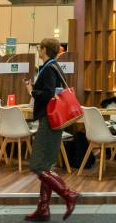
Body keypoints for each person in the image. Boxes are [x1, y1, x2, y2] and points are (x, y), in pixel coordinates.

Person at [24, 38, 79, 222]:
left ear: (45, 49)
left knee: (37, 165)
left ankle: (68, 194)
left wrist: (32, 91)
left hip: (49, 120)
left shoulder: (48, 69)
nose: (38, 50)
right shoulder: (54, 66)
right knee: (46, 165)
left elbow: (47, 94)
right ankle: (43, 208)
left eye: (39, 48)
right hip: (55, 119)